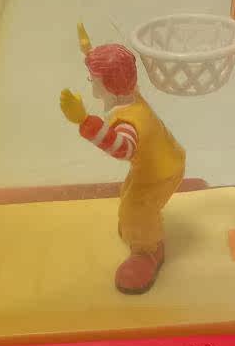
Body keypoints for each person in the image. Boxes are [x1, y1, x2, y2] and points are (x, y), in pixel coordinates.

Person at [60, 26, 185, 294]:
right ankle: (135, 229)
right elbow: (114, 69)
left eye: (92, 79)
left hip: (160, 171)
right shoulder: (129, 93)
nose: (90, 83)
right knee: (128, 194)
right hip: (160, 161)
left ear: (107, 84)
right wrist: (88, 51)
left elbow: (124, 149)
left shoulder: (129, 120)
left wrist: (84, 121)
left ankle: (148, 250)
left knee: (137, 210)